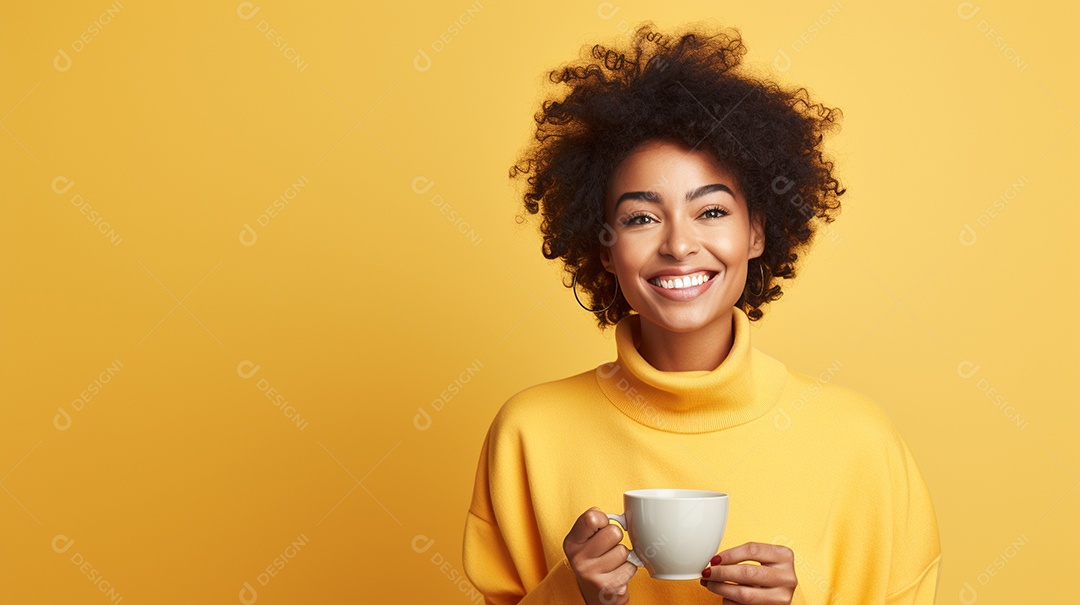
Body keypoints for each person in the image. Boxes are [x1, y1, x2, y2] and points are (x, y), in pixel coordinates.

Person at [463, 23, 940, 605]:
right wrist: (569, 594)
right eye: (642, 217)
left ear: (758, 232)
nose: (679, 245)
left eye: (711, 211)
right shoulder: (528, 434)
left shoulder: (862, 444)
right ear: (605, 246)